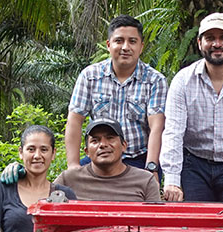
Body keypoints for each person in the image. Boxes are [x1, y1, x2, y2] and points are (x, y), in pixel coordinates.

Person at [160, 12, 223, 202]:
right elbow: (173, 131)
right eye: (210, 38)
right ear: (200, 43)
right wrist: (172, 180)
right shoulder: (183, 80)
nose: (217, 44)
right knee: (195, 224)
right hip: (195, 165)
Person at [65, 15, 167, 176]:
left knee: (145, 197)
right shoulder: (90, 76)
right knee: (69, 188)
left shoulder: (155, 80)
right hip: (98, 158)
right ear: (108, 45)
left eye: (132, 41)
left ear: (141, 47)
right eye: (119, 41)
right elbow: (74, 121)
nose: (125, 47)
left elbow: (157, 127)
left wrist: (151, 168)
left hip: (138, 159)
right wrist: (73, 165)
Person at [55, 118, 162, 202]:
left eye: (110, 138)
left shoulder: (145, 180)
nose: (103, 145)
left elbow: (155, 224)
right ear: (87, 151)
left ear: (124, 145)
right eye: (95, 140)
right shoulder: (68, 179)